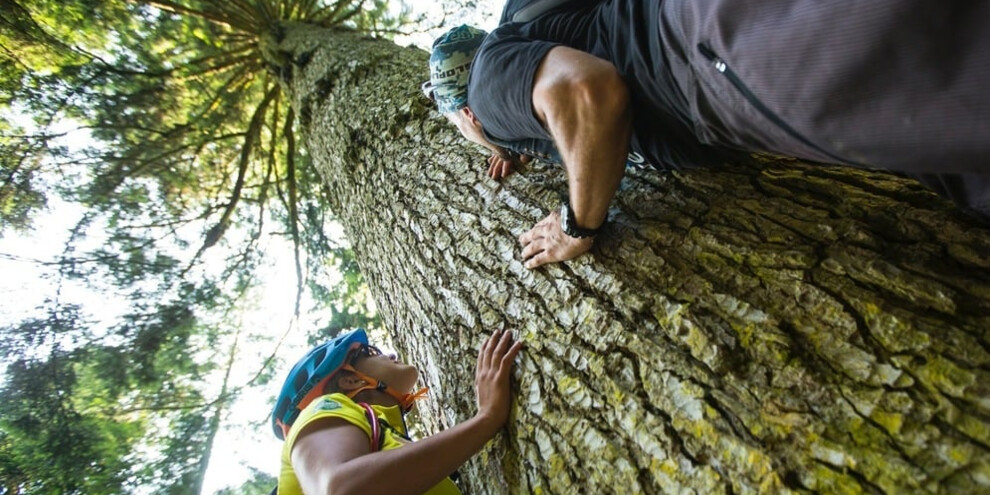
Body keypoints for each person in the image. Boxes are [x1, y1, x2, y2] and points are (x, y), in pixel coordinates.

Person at [425, 1, 990, 269]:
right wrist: (529, 149)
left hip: (705, 56)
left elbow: (586, 94)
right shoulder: (530, 27)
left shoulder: (485, 87)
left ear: (467, 116)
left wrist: (578, 225)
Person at [270, 328, 523, 495]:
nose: (389, 353)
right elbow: (341, 489)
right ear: (350, 380)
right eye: (370, 352)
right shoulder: (322, 409)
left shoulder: (383, 436)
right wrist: (486, 418)